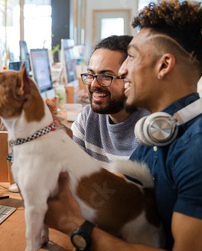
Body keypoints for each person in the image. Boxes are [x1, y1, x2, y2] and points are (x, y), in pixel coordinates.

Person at [45, 0, 202, 251]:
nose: (122, 71)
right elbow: (119, 198)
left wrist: (74, 225)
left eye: (132, 57)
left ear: (164, 65)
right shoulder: (161, 133)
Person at [49, 35, 149, 169]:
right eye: (91, 75)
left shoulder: (151, 128)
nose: (94, 84)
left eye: (105, 76)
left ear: (130, 79)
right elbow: (64, 171)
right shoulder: (88, 118)